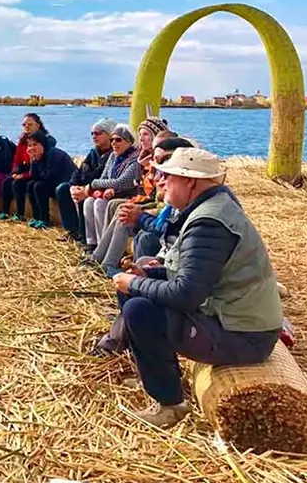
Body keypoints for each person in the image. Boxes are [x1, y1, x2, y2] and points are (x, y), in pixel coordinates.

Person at [112, 148, 282, 428]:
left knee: (139, 310)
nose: (160, 181)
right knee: (132, 292)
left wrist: (136, 282)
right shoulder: (207, 209)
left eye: (168, 176)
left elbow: (187, 294)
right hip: (230, 317)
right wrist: (148, 274)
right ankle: (158, 376)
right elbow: (197, 273)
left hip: (245, 334)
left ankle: (171, 404)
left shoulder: (209, 223)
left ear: (190, 181)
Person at [91, 136, 195, 277]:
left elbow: (123, 183)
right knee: (121, 209)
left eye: (118, 139)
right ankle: (98, 257)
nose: (157, 178)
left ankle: (108, 264)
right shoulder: (116, 158)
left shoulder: (196, 208)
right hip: (157, 212)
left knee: (133, 224)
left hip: (158, 214)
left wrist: (141, 215)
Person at [82, 124, 141, 251]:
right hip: (112, 192)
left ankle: (102, 245)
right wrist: (103, 188)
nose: (114, 143)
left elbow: (122, 182)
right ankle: (92, 242)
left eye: (118, 140)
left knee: (100, 204)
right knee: (89, 202)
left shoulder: (135, 159)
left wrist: (93, 184)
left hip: (128, 194)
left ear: (129, 142)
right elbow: (104, 177)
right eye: (112, 139)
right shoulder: (113, 156)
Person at [55, 118, 115, 243]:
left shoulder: (113, 155)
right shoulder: (93, 153)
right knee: (63, 189)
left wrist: (85, 189)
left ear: (109, 134)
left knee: (85, 199)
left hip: (98, 189)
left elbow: (102, 176)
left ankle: (85, 238)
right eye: (92, 133)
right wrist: (73, 186)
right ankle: (73, 230)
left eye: (98, 133)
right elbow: (78, 172)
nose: (94, 136)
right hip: (85, 186)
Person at [13, 131, 76, 228]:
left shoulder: (53, 154)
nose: (32, 148)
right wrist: (33, 160)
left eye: (35, 144)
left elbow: (49, 176)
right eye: (29, 145)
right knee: (31, 184)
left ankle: (45, 219)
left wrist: (37, 161)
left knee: (39, 186)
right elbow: (34, 176)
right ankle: (37, 217)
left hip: (65, 184)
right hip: (53, 183)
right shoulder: (39, 155)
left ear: (42, 144)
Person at [0, 117, 57, 222]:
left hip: (36, 170)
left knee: (19, 184)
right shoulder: (23, 141)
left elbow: (40, 161)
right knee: (7, 182)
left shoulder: (46, 140)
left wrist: (23, 175)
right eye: (24, 125)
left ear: (38, 125)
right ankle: (5, 211)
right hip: (24, 168)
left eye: (30, 124)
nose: (26, 127)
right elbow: (17, 159)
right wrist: (15, 172)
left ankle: (22, 214)